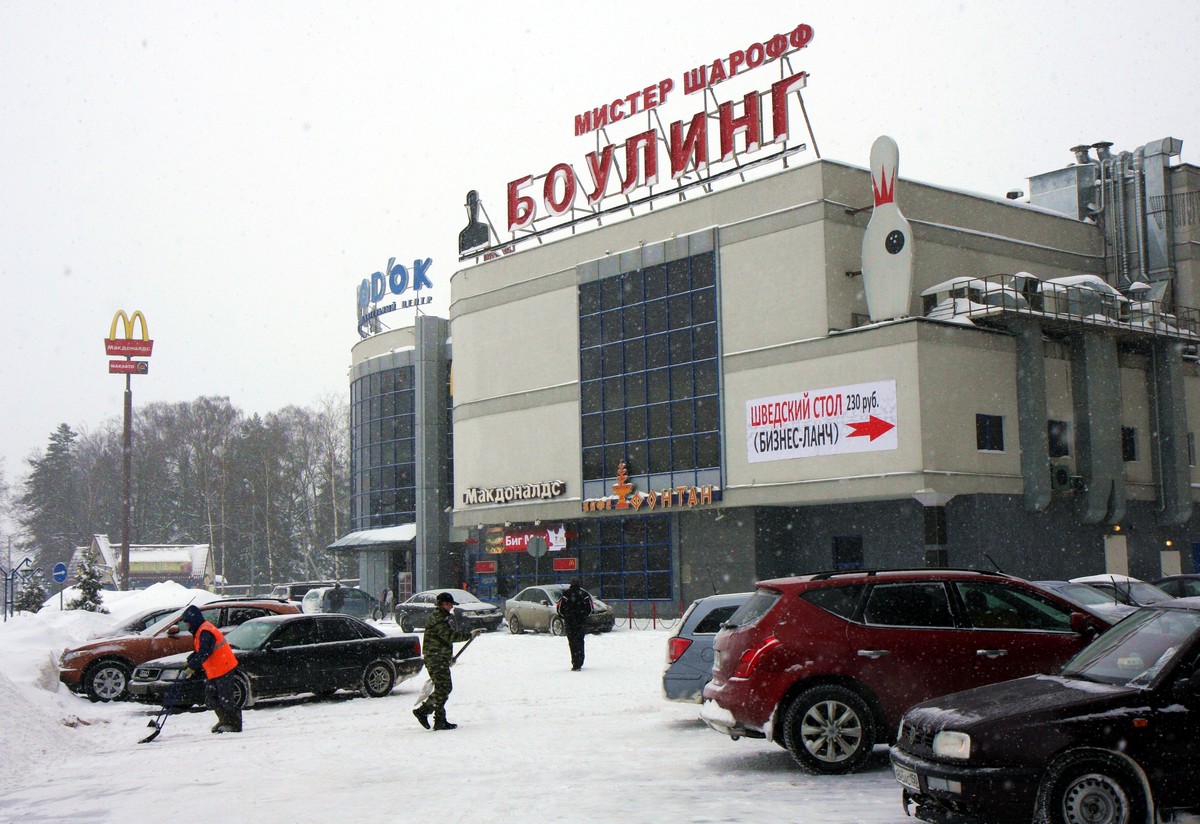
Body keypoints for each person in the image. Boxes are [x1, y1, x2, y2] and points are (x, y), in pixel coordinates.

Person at [413, 592, 482, 731]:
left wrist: (447, 657)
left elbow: (441, 641)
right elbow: (449, 636)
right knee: (445, 688)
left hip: (438, 658)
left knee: (441, 688)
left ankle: (440, 720)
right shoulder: (438, 618)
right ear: (443, 604)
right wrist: (469, 635)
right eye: (450, 604)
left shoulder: (441, 617)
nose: (451, 607)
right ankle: (423, 711)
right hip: (435, 659)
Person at [181, 605, 242, 734]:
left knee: (225, 698)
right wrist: (189, 661)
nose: (186, 626)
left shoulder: (205, 631)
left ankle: (234, 724)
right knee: (211, 698)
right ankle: (224, 720)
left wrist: (191, 667)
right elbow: (199, 651)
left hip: (224, 667)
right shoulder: (200, 630)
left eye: (187, 623)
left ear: (193, 620)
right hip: (214, 669)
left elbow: (204, 653)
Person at [556, 578, 594, 671]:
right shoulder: (584, 594)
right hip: (580, 622)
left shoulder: (566, 594)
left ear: (571, 584)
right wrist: (583, 617)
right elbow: (590, 609)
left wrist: (566, 616)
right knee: (580, 641)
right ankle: (580, 661)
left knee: (572, 642)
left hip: (570, 622)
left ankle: (575, 662)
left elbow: (559, 609)